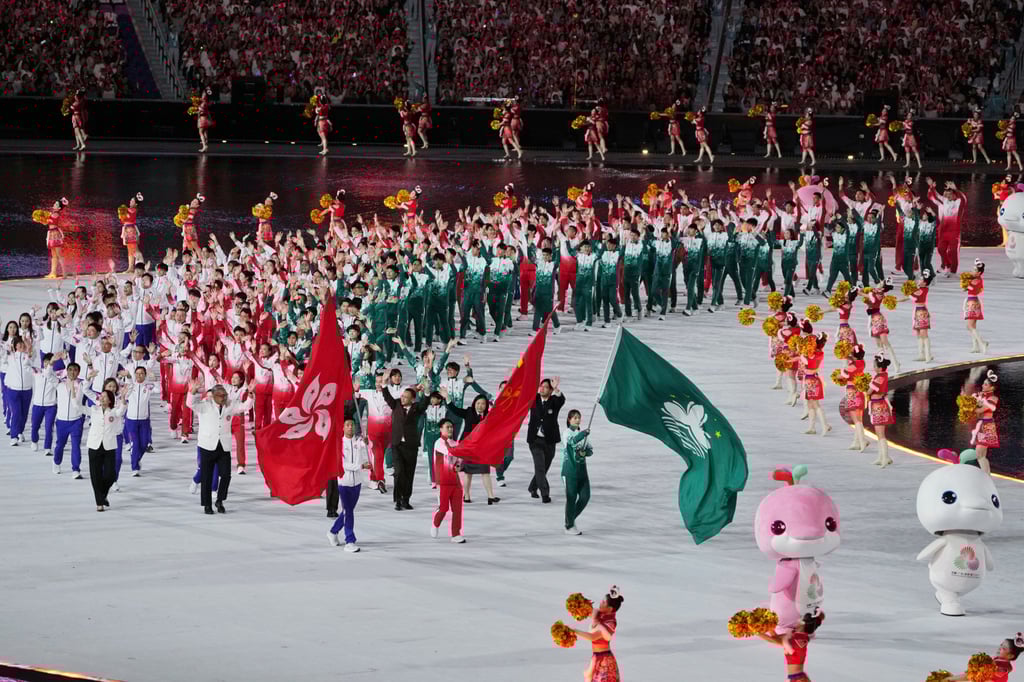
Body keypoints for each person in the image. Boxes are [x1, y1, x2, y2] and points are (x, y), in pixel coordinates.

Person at [187, 381, 253, 514]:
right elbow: (191, 404)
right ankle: (207, 505)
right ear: (215, 396)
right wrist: (192, 391)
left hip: (224, 446)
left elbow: (245, 407)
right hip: (207, 446)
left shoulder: (230, 405)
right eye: (221, 396)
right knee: (207, 476)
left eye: (225, 395)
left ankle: (220, 500)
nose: (224, 398)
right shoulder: (205, 406)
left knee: (226, 476)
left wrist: (251, 394)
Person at [327, 417, 372, 552]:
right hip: (344, 482)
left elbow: (368, 446)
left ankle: (333, 531)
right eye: (347, 425)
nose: (350, 427)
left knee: (347, 511)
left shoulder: (358, 441)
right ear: (343, 427)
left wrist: (367, 442)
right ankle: (350, 540)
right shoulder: (339, 444)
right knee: (349, 512)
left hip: (357, 483)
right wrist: (361, 466)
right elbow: (343, 465)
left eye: (352, 425)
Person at [383, 382, 428, 511]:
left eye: (406, 397)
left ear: (412, 399)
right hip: (397, 445)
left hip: (411, 446)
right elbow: (387, 396)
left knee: (409, 474)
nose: (402, 398)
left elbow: (425, 403)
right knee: (399, 473)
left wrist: (427, 392)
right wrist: (385, 384)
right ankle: (397, 500)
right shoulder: (396, 404)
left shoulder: (416, 408)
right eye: (402, 396)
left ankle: (406, 500)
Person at [83, 388, 126, 512]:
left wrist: (123, 398)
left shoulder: (113, 412)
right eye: (101, 396)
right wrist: (73, 393)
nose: (102, 398)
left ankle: (102, 495)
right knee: (95, 475)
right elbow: (78, 407)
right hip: (94, 445)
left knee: (110, 475)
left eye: (105, 397)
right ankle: (99, 502)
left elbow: (121, 410)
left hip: (109, 446)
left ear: (110, 400)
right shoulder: (94, 410)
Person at [569, 586, 623, 682]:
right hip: (597, 657)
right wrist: (578, 607)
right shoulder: (601, 614)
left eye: (603, 602)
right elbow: (586, 612)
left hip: (605, 661)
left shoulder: (611, 622)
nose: (600, 603)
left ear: (610, 609)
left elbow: (592, 637)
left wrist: (574, 631)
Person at [756, 610, 826, 682]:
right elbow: (775, 638)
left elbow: (774, 640)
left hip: (798, 678)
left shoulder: (799, 638)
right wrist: (769, 625)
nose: (797, 621)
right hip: (797, 677)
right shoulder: (795, 635)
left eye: (800, 619)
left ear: (803, 623)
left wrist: (754, 630)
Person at [526, 377, 565, 503]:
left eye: (546, 387)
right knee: (540, 467)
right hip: (535, 440)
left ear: (551, 390)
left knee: (544, 467)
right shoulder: (534, 398)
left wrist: (557, 389)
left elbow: (561, 400)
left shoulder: (554, 401)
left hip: (550, 440)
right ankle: (545, 494)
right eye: (541, 386)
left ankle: (533, 487)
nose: (542, 388)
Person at [430, 419, 465, 543]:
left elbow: (459, 462)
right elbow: (449, 451)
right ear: (441, 429)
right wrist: (463, 448)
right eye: (447, 427)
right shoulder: (438, 443)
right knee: (444, 508)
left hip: (455, 482)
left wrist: (459, 465)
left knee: (457, 509)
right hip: (443, 482)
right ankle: (436, 523)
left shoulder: (455, 443)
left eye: (451, 427)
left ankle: (456, 534)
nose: (450, 429)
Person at [561, 409, 592, 535]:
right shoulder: (567, 433)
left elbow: (590, 450)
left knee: (585, 497)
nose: (577, 420)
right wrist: (583, 434)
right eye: (574, 418)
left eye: (578, 418)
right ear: (569, 420)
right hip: (570, 472)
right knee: (571, 498)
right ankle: (569, 525)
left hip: (582, 472)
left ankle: (570, 519)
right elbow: (572, 442)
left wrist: (585, 452)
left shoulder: (582, 435)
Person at [53, 361, 87, 476]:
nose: (73, 372)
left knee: (76, 445)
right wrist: (52, 361)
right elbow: (48, 375)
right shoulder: (59, 384)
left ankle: (76, 469)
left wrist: (90, 365)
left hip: (76, 420)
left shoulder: (81, 385)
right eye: (70, 369)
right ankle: (57, 462)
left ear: (78, 372)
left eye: (75, 370)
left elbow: (89, 381)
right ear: (67, 371)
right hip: (62, 420)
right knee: (60, 444)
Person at [971, 370, 1000, 476]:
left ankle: (986, 476)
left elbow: (980, 410)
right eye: (983, 383)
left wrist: (968, 407)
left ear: (992, 387)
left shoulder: (993, 398)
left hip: (987, 426)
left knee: (979, 453)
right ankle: (987, 475)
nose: (983, 385)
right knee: (981, 455)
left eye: (986, 384)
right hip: (982, 425)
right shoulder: (981, 396)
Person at [868, 354, 894, 468]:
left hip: (878, 406)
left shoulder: (879, 377)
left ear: (879, 367)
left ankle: (884, 458)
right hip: (878, 405)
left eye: (874, 365)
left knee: (880, 434)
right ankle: (882, 457)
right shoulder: (883, 375)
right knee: (879, 434)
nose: (873, 367)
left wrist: (865, 391)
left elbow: (869, 391)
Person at [964, 259, 989, 354]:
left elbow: (971, 288)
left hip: (973, 302)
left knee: (969, 325)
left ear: (979, 273)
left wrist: (966, 283)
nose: (972, 271)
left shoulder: (977, 280)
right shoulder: (975, 279)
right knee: (972, 325)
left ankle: (982, 343)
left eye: (974, 270)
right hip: (972, 301)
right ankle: (975, 346)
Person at [313, 90, 331, 156]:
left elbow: (317, 112)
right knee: (323, 136)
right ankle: (325, 148)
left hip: (322, 122)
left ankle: (325, 149)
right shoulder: (326, 106)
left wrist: (316, 109)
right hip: (324, 121)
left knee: (323, 137)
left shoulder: (321, 108)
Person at [196, 88, 214, 153]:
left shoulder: (203, 103)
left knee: (201, 132)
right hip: (205, 119)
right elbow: (208, 112)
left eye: (203, 95)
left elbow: (203, 112)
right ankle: (206, 145)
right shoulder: (206, 103)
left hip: (203, 119)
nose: (202, 96)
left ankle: (204, 146)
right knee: (205, 132)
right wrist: (210, 119)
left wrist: (197, 112)